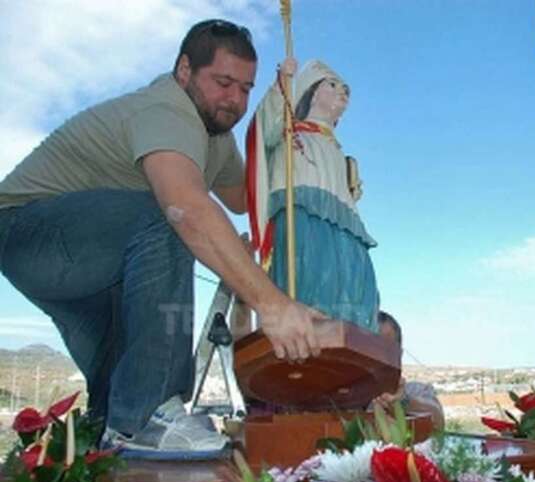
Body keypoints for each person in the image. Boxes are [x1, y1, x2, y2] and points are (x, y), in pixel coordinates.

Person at [0, 20, 324, 459]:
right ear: (185, 70)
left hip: (96, 265)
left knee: (118, 383)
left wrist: (291, 151)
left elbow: (245, 200)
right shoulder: (168, 111)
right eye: (223, 82)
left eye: (246, 89)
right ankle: (149, 415)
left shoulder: (216, 136)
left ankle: (117, 439)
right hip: (25, 231)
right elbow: (187, 210)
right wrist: (272, 305)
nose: (235, 101)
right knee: (168, 216)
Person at [247, 57, 379, 333]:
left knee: (352, 274)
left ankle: (354, 330)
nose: (343, 91)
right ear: (311, 91)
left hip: (344, 224)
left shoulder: (341, 156)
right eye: (333, 84)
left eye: (346, 88)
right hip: (302, 218)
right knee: (309, 271)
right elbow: (261, 129)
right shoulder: (288, 134)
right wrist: (282, 83)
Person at [373, 311, 445, 431]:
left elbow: (438, 421)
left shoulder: (416, 391)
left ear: (399, 354)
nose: (378, 357)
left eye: (386, 349)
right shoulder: (345, 396)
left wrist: (403, 402)